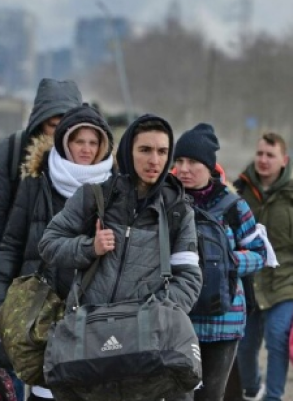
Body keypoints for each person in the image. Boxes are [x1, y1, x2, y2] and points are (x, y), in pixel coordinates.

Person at [39, 114, 203, 399]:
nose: (154, 160)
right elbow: (49, 244)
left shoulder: (178, 210)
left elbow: (188, 278)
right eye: (145, 150)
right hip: (92, 344)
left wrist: (157, 316)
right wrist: (90, 248)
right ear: (128, 151)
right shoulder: (94, 197)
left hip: (147, 348)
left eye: (162, 152)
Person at [0, 105, 115, 400]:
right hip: (43, 305)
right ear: (66, 142)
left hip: (94, 306)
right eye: (80, 142)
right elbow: (12, 241)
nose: (86, 150)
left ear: (103, 146)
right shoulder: (37, 183)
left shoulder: (115, 188)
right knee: (43, 386)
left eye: (93, 142)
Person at [0, 78, 82, 400]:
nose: (56, 134)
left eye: (64, 126)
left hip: (70, 281)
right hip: (18, 275)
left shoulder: (90, 160)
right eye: (51, 125)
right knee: (14, 356)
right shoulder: (15, 151)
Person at [173, 124, 266, 401]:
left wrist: (227, 261)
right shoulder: (167, 201)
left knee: (210, 396)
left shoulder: (234, 206)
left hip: (222, 323)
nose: (184, 168)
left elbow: (259, 253)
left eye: (192, 162)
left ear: (209, 166)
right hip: (178, 319)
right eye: (179, 161)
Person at [232, 132, 293, 401]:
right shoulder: (240, 188)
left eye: (270, 155)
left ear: (283, 160)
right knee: (245, 346)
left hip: (284, 280)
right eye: (260, 154)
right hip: (248, 281)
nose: (263, 160)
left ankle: (274, 396)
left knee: (278, 338)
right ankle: (252, 390)